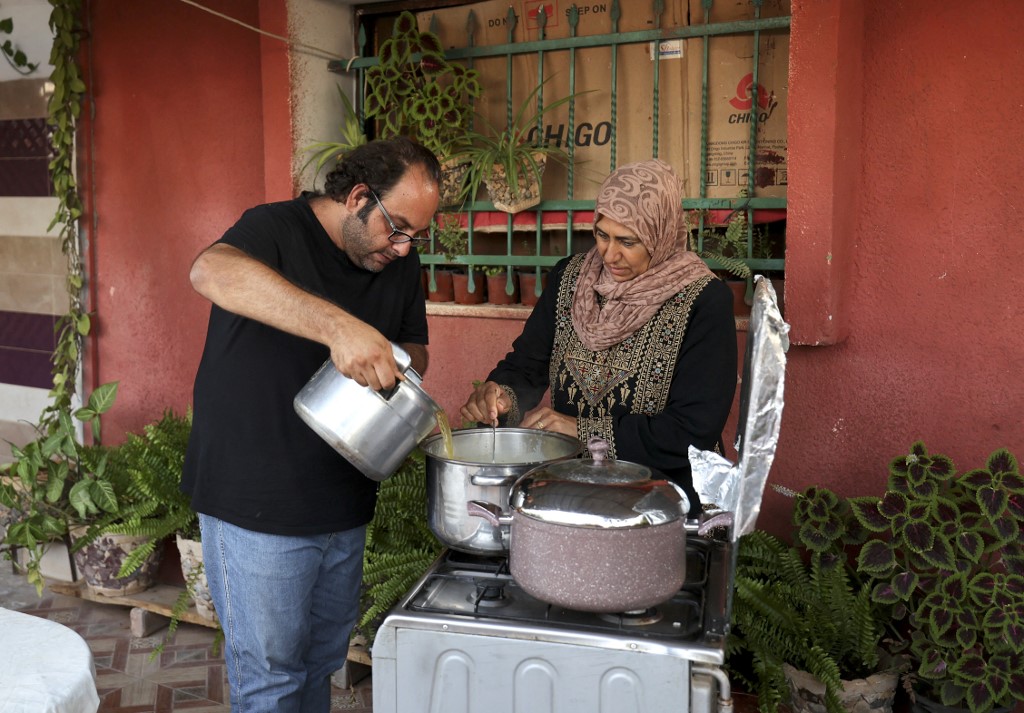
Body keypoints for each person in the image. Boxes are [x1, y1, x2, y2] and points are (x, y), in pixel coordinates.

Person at [181, 137, 440, 712]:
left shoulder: (400, 260)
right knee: (269, 682)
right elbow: (210, 271)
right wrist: (337, 328)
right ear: (356, 198)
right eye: (395, 227)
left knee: (322, 665)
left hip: (343, 498)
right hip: (256, 499)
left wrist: (395, 362)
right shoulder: (274, 228)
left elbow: (414, 348)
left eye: (416, 236)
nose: (402, 249)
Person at [460, 159, 737, 513]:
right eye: (602, 234)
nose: (609, 254)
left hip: (665, 501)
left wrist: (583, 431)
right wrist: (501, 394)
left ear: (661, 234)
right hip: (573, 489)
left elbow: (693, 430)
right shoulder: (570, 279)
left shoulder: (703, 301)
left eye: (628, 241)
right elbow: (526, 365)